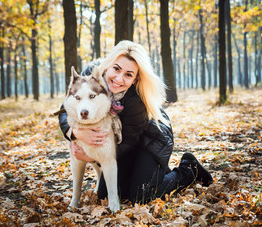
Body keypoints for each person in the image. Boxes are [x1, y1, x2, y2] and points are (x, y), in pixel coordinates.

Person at [58, 40, 213, 205]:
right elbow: (65, 108)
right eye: (116, 69)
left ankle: (188, 169)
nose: (118, 78)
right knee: (105, 197)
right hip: (121, 140)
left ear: (135, 78)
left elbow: (130, 142)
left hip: (150, 139)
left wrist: (92, 157)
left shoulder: (136, 99)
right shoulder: (91, 75)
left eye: (128, 74)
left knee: (141, 197)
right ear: (109, 64)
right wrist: (75, 133)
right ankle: (153, 174)